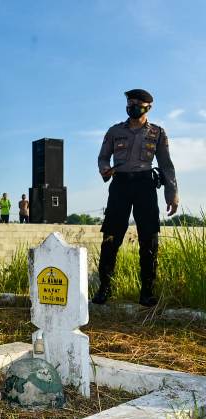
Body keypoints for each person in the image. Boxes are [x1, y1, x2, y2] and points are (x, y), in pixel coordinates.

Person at [92, 89, 178, 307]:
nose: (132, 106)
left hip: (145, 185)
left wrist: (172, 193)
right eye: (129, 102)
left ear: (148, 107)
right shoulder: (114, 131)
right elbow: (103, 157)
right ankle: (104, 289)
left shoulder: (158, 132)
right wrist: (105, 169)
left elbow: (166, 165)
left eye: (137, 103)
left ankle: (147, 292)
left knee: (149, 239)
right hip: (120, 184)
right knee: (110, 238)